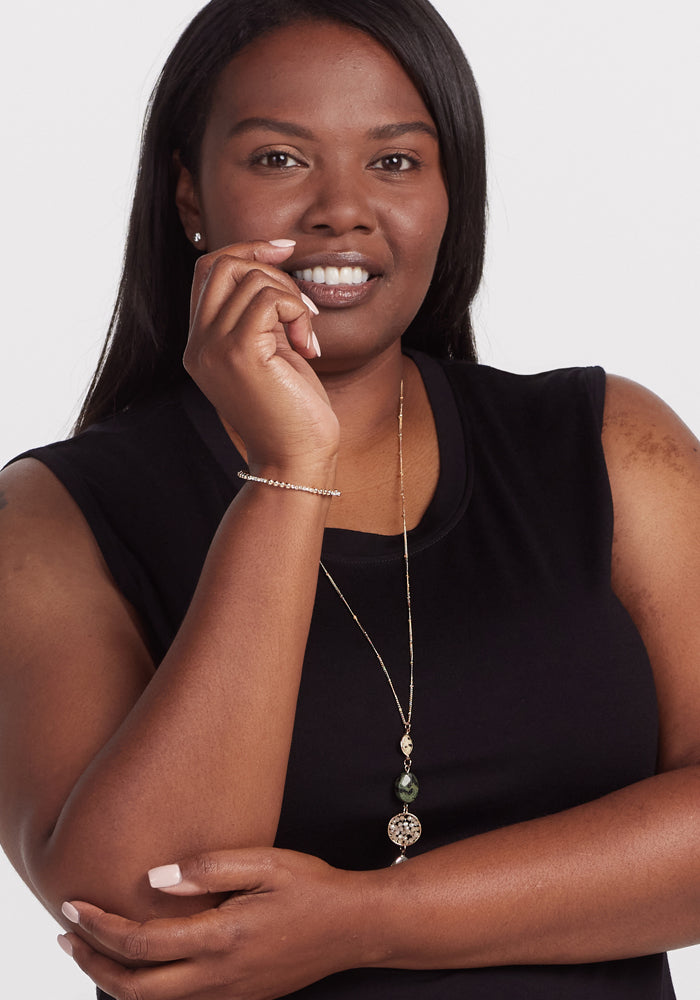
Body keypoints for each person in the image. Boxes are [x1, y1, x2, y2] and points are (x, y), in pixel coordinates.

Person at [1, 0, 699, 997]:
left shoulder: (608, 445)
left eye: (396, 161)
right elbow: (143, 923)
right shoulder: (51, 519)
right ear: (190, 192)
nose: (341, 208)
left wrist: (368, 921)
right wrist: (288, 470)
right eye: (279, 160)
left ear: (453, 192)